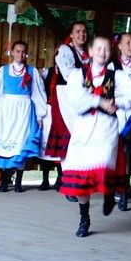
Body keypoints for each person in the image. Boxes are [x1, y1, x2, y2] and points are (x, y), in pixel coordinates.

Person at [60, 36, 131, 237]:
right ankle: (84, 217)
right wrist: (100, 102)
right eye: (98, 48)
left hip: (106, 128)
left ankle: (109, 193)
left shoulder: (117, 76)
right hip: (83, 129)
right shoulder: (78, 75)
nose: (102, 52)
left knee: (105, 163)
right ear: (90, 51)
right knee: (80, 180)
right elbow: (75, 99)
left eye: (106, 49)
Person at [0, 40, 47, 192]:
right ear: (12, 52)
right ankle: (5, 181)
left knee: (21, 145)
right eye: (17, 51)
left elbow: (38, 93)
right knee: (5, 143)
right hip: (6, 112)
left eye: (23, 51)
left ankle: (18, 181)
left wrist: (39, 115)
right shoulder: (4, 70)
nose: (20, 54)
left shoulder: (32, 71)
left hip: (24, 112)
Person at [45, 22, 89, 165]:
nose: (81, 34)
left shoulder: (86, 54)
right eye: (77, 31)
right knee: (67, 129)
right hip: (66, 96)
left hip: (80, 96)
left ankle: (77, 169)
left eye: (84, 31)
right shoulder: (65, 50)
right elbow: (69, 75)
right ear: (71, 35)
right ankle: (64, 172)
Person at [109, 33, 131, 211]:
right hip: (119, 111)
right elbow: (107, 91)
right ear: (119, 46)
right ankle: (121, 189)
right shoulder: (112, 66)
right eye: (128, 43)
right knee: (120, 151)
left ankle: (129, 186)